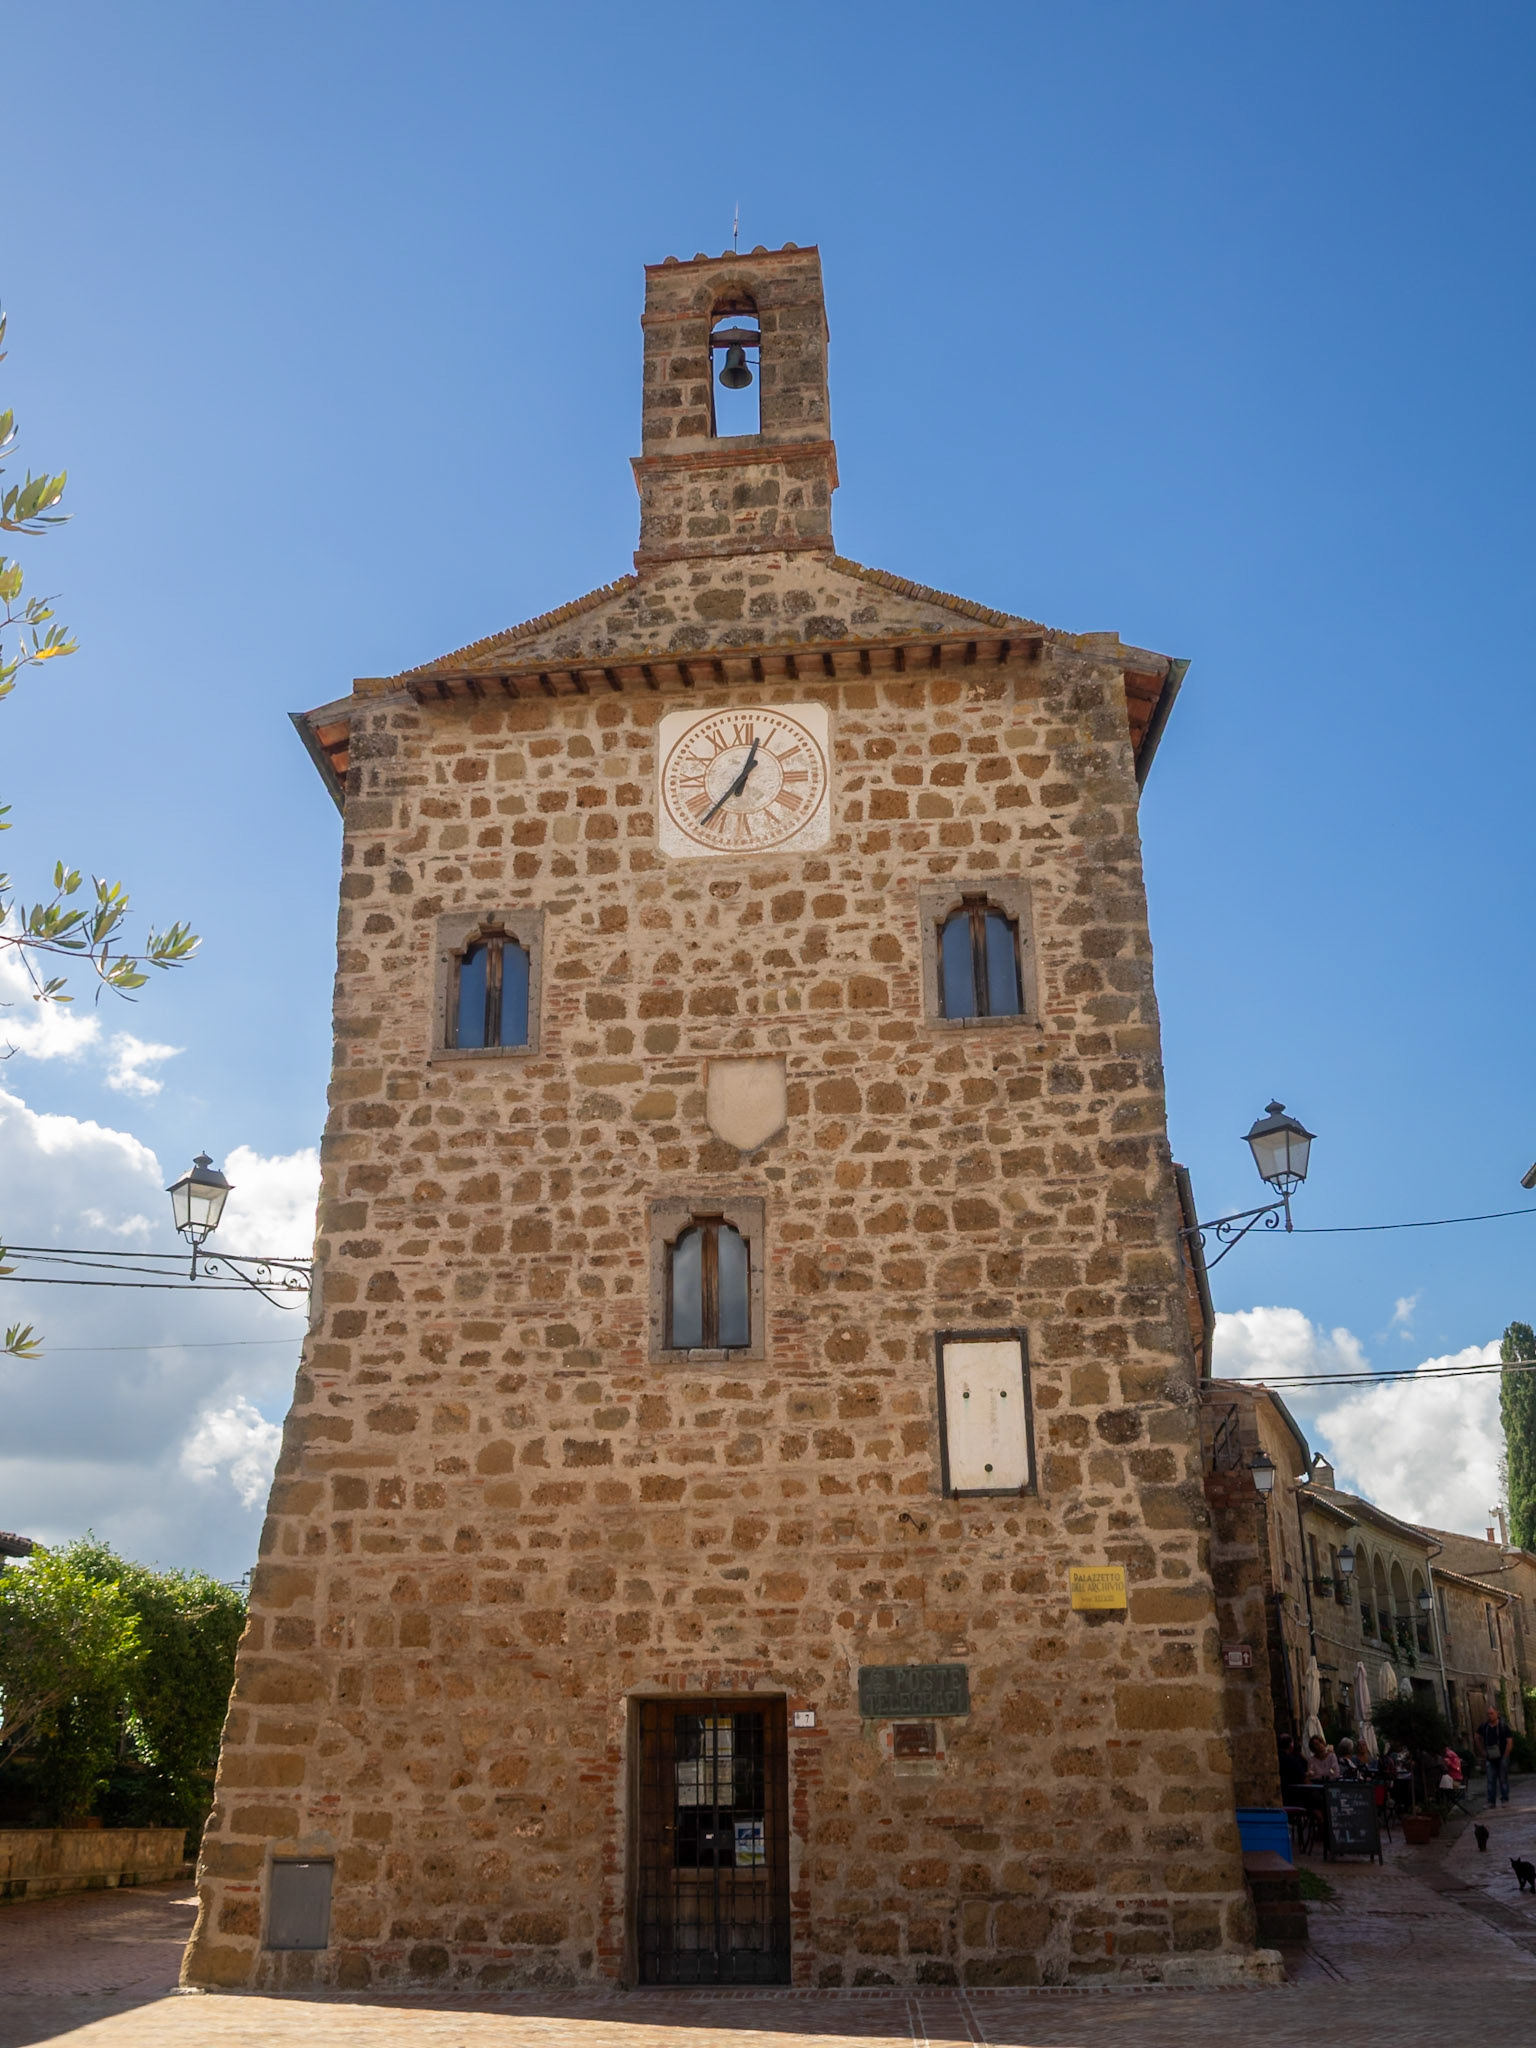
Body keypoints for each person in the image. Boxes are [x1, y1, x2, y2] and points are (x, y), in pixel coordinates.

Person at [1476, 1704, 1514, 1808]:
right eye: (1488, 1714)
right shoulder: (1484, 1726)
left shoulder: (1503, 1726)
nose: (1490, 1716)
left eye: (1492, 1713)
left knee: (1503, 1779)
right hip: (1490, 1757)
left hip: (1502, 1756)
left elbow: (1509, 1741)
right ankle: (1491, 1802)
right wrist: (1482, 1751)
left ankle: (1505, 1799)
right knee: (1490, 1780)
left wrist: (1505, 1755)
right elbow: (1477, 1736)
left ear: (1497, 1713)